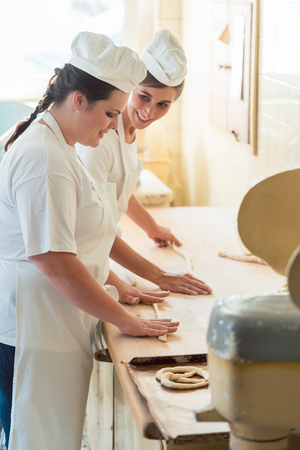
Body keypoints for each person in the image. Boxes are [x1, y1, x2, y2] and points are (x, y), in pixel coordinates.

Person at [0, 31, 179, 450]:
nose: (116, 124)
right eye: (110, 114)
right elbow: (56, 262)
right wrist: (124, 319)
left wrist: (119, 285)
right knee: (34, 438)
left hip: (53, 320)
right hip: (32, 325)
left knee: (51, 437)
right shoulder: (45, 159)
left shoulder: (60, 143)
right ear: (78, 99)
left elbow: (85, 231)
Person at [77, 29, 213, 303]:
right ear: (129, 88)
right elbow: (90, 228)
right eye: (144, 97)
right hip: (84, 260)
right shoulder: (100, 138)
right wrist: (159, 276)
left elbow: (117, 190)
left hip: (100, 253)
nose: (150, 112)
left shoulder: (129, 128)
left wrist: (152, 228)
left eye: (163, 104)